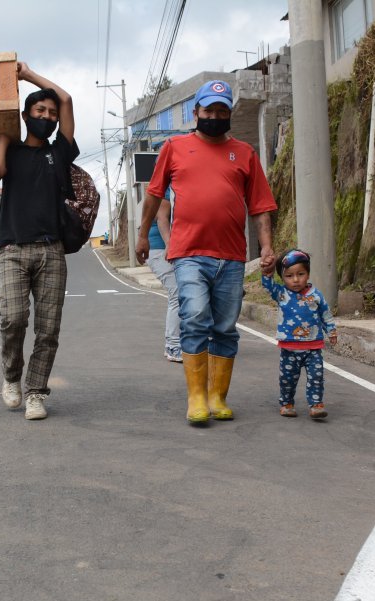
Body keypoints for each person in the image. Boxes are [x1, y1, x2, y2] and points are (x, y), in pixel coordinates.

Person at [135, 80, 278, 424]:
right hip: (188, 252)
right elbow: (154, 195)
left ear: (228, 113)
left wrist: (268, 246)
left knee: (226, 327)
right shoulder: (174, 147)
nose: (214, 116)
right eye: (208, 110)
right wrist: (142, 237)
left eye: (221, 111)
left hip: (231, 256)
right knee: (196, 315)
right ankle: (196, 396)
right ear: (196, 112)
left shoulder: (244, 153)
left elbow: (259, 205)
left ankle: (217, 396)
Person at [0, 62, 77, 421]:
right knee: (13, 319)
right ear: (26, 115)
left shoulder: (60, 153)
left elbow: (67, 98)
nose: (47, 116)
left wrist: (28, 75)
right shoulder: (13, 153)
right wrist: (7, 138)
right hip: (13, 250)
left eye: (51, 113)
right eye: (40, 111)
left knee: (48, 329)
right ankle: (11, 377)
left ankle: (36, 392)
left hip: (51, 250)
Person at [262, 248, 338, 419]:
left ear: (308, 274)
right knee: (287, 379)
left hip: (313, 347)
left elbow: (325, 314)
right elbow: (267, 285)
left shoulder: (316, 295)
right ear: (283, 277)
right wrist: (267, 272)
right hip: (289, 348)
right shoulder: (281, 294)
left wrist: (331, 331)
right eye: (289, 276)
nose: (296, 280)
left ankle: (316, 404)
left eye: (301, 274)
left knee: (316, 377)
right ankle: (287, 403)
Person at [146, 199, 182, 362]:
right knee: (177, 293)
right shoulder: (167, 187)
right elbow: (162, 217)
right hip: (160, 249)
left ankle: (196, 340)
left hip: (177, 249)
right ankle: (173, 345)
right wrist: (169, 244)